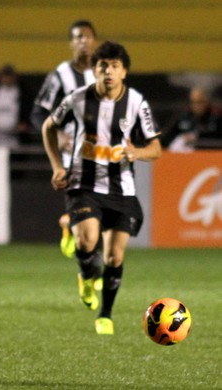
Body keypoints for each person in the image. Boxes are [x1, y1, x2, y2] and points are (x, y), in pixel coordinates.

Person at [41, 41, 162, 335]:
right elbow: (48, 126)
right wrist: (57, 166)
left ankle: (105, 315)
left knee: (113, 258)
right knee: (87, 240)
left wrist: (137, 153)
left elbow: (156, 148)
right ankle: (85, 272)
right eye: (102, 66)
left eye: (115, 66)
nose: (108, 71)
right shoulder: (77, 98)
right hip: (83, 183)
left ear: (124, 72)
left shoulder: (136, 102)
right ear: (94, 70)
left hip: (122, 189)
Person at [30, 19, 104, 285]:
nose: (83, 41)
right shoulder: (61, 75)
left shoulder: (103, 71)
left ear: (94, 41)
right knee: (90, 210)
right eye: (77, 37)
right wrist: (57, 133)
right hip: (74, 155)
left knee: (101, 214)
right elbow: (38, 112)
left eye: (87, 36)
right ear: (71, 43)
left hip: (105, 154)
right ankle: (90, 267)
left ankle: (71, 228)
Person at [161, 86, 222, 152]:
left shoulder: (216, 117)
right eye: (193, 102)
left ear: (206, 102)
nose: (196, 106)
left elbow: (217, 140)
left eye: (200, 102)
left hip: (210, 155)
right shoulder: (183, 116)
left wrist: (198, 138)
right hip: (184, 155)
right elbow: (166, 137)